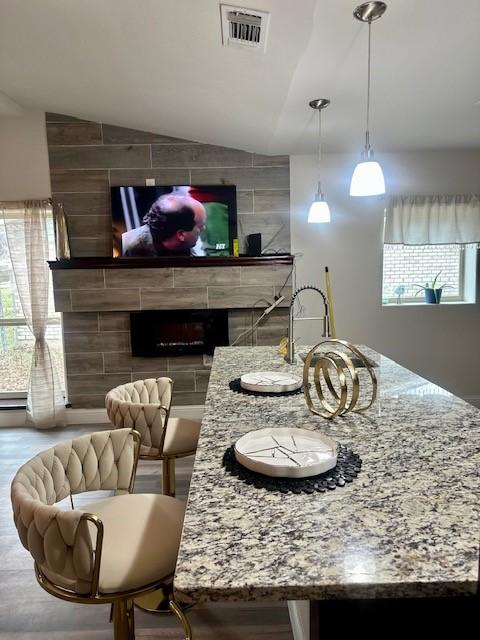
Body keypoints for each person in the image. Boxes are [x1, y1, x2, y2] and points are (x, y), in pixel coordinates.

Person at [122, 193, 207, 256]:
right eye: (200, 227)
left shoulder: (185, 245)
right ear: (181, 234)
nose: (204, 228)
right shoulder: (127, 248)